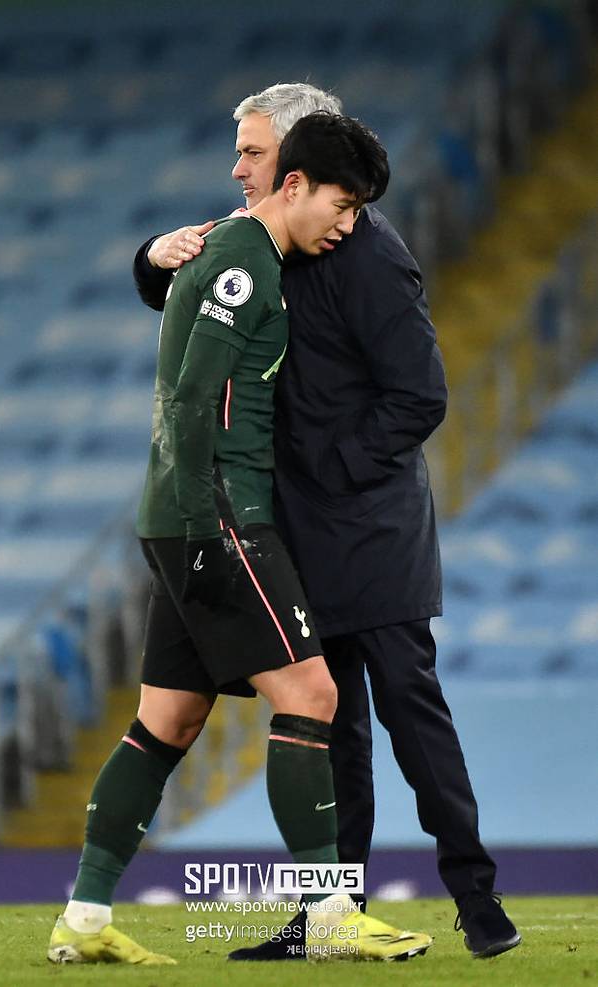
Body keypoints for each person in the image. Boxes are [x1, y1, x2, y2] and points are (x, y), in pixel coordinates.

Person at [134, 82, 521, 962]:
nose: (239, 169)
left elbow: (419, 396)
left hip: (374, 531)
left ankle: (477, 897)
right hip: (296, 530)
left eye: (252, 152)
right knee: (329, 726)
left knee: (410, 713)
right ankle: (329, 912)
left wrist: (326, 469)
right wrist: (151, 258)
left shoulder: (370, 256)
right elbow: (183, 292)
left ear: (296, 163)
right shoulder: (257, 237)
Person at [47, 111, 433, 967]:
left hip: (182, 514)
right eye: (341, 204)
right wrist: (204, 531)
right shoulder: (243, 262)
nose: (348, 224)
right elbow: (191, 399)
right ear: (295, 186)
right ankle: (328, 912)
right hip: (218, 514)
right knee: (313, 694)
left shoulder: (246, 251)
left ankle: (84, 917)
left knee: (168, 719)